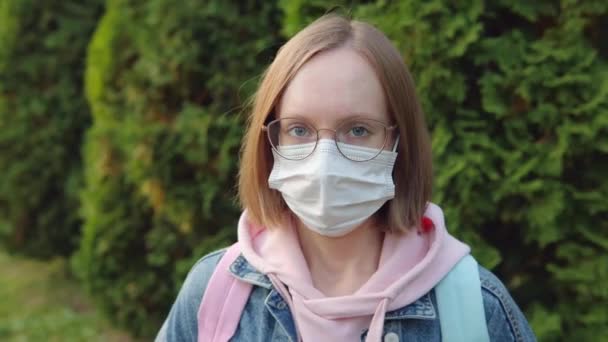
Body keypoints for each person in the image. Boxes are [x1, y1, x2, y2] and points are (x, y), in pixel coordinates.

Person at [156, 14, 536, 342]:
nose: (324, 162)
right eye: (299, 130)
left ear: (398, 142)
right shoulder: (216, 292)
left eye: (356, 130)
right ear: (269, 140)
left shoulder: (476, 308)